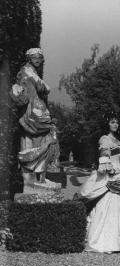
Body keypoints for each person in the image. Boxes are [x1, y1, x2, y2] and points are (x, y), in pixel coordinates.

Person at [79, 112, 120, 253]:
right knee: (109, 204)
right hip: (111, 173)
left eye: (116, 122)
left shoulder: (116, 139)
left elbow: (119, 158)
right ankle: (107, 241)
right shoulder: (105, 139)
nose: (115, 124)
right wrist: (111, 170)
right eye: (112, 122)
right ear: (107, 124)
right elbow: (104, 156)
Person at [10, 48, 60, 189]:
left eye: (40, 57)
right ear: (29, 59)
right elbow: (44, 87)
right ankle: (32, 182)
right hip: (31, 113)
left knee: (41, 141)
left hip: (35, 112)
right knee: (38, 141)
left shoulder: (29, 72)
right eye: (35, 57)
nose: (38, 60)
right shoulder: (28, 72)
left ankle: (39, 180)